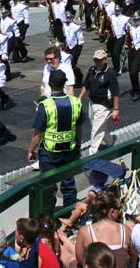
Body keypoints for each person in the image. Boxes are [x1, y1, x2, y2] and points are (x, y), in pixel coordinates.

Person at [28, 69, 84, 214]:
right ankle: (69, 215)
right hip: (69, 150)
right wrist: (78, 146)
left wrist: (31, 150)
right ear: (64, 83)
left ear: (50, 84)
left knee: (48, 186)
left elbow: (37, 134)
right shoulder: (75, 102)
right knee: (69, 185)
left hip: (49, 152)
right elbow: (79, 128)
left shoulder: (46, 105)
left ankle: (47, 217)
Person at [74, 191, 134, 267]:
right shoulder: (125, 229)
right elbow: (133, 256)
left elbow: (80, 260)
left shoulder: (85, 231)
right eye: (118, 209)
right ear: (112, 211)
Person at [78, 49, 120, 155]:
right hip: (92, 103)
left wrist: (116, 109)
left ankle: (92, 153)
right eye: (95, 60)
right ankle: (109, 141)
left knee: (96, 130)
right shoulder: (92, 70)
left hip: (104, 106)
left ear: (105, 60)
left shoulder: (110, 73)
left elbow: (115, 92)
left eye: (99, 60)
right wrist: (79, 99)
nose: (97, 62)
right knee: (98, 126)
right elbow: (86, 85)